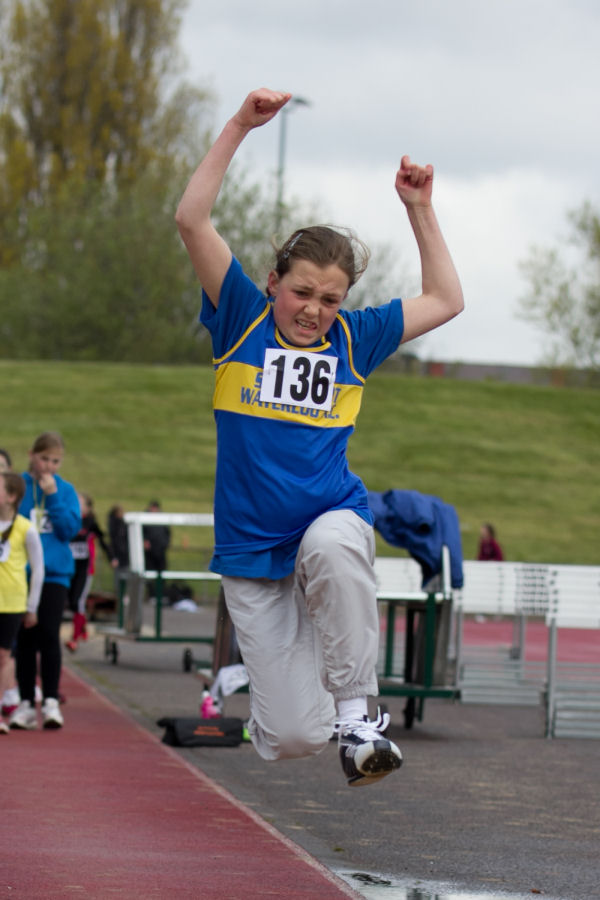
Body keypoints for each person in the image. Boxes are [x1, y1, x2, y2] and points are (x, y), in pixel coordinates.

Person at [175, 88, 463, 786]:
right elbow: (191, 218)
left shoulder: (355, 341)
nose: (313, 310)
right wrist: (242, 124)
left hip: (325, 519)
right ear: (274, 283)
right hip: (251, 549)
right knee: (295, 738)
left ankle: (361, 718)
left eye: (330, 299)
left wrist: (419, 209)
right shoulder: (240, 315)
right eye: (302, 292)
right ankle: (301, 707)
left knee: (336, 541)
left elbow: (447, 300)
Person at [10, 432, 81, 730]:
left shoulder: (64, 490)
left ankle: (50, 700)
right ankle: (26, 702)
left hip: (54, 574)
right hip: (22, 574)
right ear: (32, 455)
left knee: (49, 634)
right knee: (25, 638)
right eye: (44, 459)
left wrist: (52, 496)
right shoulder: (18, 488)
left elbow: (68, 530)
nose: (49, 466)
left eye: (55, 461)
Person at [0, 472, 44, 733]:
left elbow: (38, 568)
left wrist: (32, 606)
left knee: (3, 657)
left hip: (13, 601)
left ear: (11, 496)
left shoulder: (25, 528)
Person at [65, 493, 117, 653]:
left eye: (80, 502)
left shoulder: (90, 522)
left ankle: (74, 639)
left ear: (87, 507)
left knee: (78, 602)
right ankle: (83, 629)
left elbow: (102, 540)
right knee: (71, 601)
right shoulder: (69, 519)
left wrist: (112, 558)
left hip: (85, 569)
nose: (76, 504)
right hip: (69, 568)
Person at [107, 504, 130, 597]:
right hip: (118, 554)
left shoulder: (122, 525)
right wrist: (112, 557)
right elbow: (112, 543)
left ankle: (123, 594)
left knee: (125, 574)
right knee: (118, 575)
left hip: (124, 554)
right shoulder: (115, 526)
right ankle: (120, 594)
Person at [142, 500, 171, 573]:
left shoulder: (163, 518)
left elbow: (167, 533)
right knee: (149, 570)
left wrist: (165, 543)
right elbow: (142, 532)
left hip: (160, 549)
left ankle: (161, 584)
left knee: (162, 570)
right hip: (149, 551)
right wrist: (144, 540)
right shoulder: (144, 518)